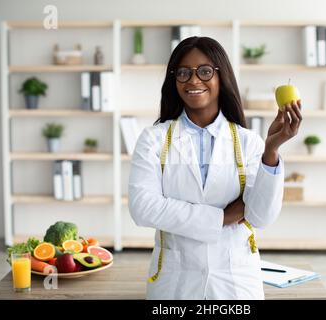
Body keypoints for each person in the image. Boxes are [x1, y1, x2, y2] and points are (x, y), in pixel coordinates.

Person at [128, 36, 302, 299]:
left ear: (222, 77)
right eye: (184, 73)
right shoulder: (153, 139)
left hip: (235, 281)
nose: (194, 80)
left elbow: (261, 216)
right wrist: (222, 218)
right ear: (174, 81)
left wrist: (271, 151)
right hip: (176, 283)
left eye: (205, 71)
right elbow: (143, 208)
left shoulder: (249, 142)